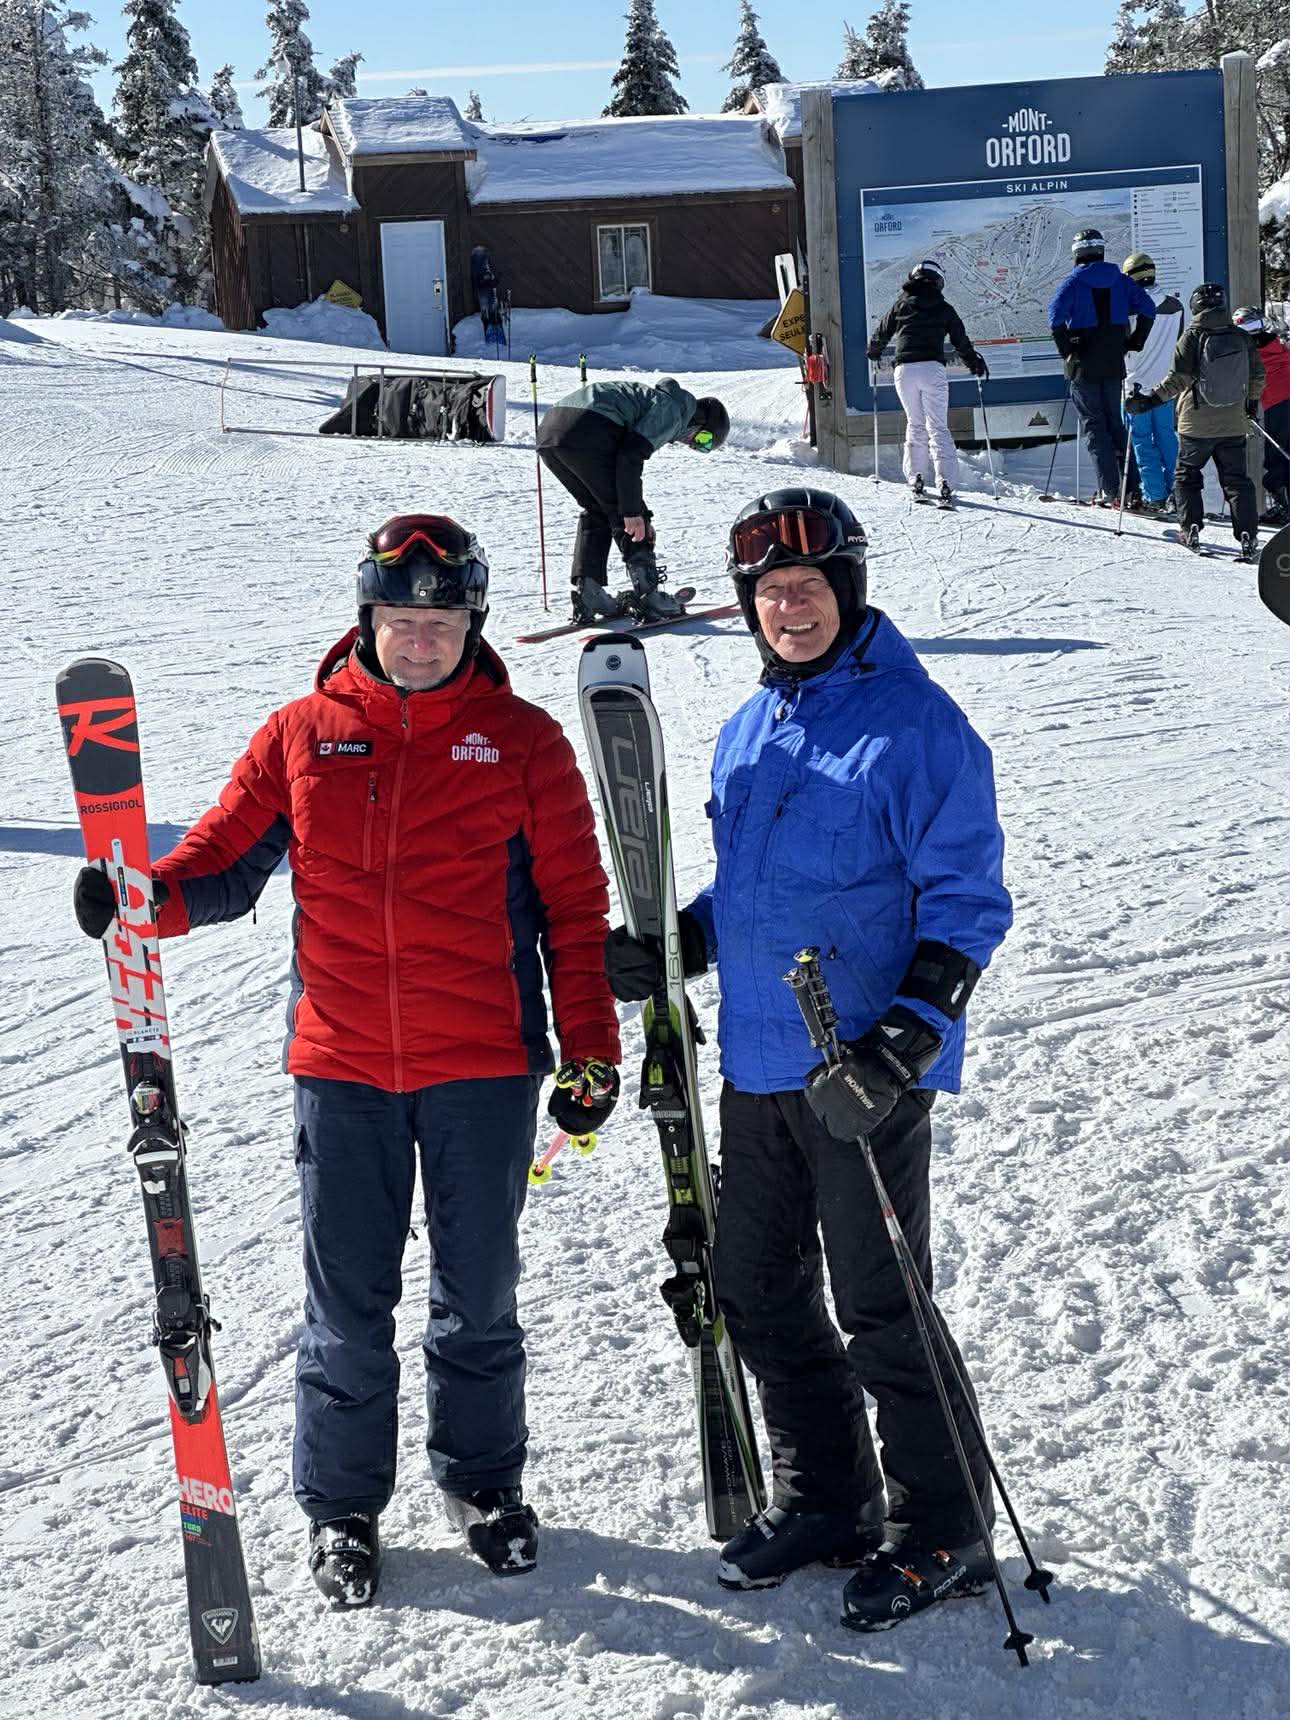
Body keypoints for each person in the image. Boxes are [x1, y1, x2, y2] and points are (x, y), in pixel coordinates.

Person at [71, 514, 622, 1606]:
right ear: (364, 617)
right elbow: (220, 862)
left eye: (443, 619)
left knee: (479, 1295)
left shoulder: (525, 743)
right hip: (345, 1065)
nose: (422, 639)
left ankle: (484, 1481)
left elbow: (573, 911)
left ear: (474, 620)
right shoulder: (302, 734)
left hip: (484, 1067)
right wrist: (143, 898)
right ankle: (343, 1508)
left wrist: (591, 1049)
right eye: (401, 619)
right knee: (347, 1305)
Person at [604, 488, 1013, 1632]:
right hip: (758, 1060)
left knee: (880, 1301)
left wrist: (901, 1044)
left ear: (850, 591)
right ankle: (829, 1495)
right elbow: (748, 892)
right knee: (753, 1283)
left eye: (809, 589)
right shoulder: (752, 725)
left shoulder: (918, 727)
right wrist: (675, 940)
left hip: (858, 1066)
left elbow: (970, 903)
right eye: (770, 594)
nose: (790, 609)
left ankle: (946, 1523)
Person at [536, 378, 730, 623]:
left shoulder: (659, 402)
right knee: (625, 511)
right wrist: (633, 513)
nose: (691, 444)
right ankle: (649, 596)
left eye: (702, 447)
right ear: (700, 420)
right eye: (703, 440)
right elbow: (629, 456)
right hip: (585, 429)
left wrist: (632, 510)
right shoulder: (674, 411)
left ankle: (589, 593)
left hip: (550, 433)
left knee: (597, 509)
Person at [1127, 283, 1265, 558]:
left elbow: (1178, 379)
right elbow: (1257, 376)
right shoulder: (1241, 336)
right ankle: (1247, 535)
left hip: (1197, 424)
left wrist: (1151, 400)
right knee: (1237, 480)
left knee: (1187, 476)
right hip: (1233, 422)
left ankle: (1190, 528)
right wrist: (1249, 405)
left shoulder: (1192, 336)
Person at [865, 258, 988, 507]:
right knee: (938, 428)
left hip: (905, 371)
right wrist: (974, 363)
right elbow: (960, 340)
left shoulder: (901, 304)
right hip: (932, 369)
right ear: (937, 282)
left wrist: (874, 351)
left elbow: (882, 331)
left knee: (915, 424)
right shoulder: (944, 308)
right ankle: (945, 483)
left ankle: (916, 479)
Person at [1048, 228, 1156, 504]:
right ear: (1101, 250)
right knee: (1115, 425)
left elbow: (1055, 320)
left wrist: (1068, 352)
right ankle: (1131, 489)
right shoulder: (1121, 281)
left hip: (1084, 364)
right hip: (1114, 362)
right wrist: (1135, 341)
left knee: (1095, 428)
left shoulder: (1072, 283)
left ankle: (1110, 490)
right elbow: (1148, 308)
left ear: (1077, 254)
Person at [1121, 252, 1184, 515]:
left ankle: (1155, 496)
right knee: (1167, 439)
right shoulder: (1175, 305)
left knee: (1142, 443)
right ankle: (1179, 494)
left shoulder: (1128, 308)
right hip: (1164, 386)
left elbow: (1124, 346)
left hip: (1135, 384)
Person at [1234, 306, 1290, 525]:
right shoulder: (1277, 343)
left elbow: (1250, 380)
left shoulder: (1249, 352)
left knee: (1277, 456)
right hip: (1282, 399)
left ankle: (1285, 506)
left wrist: (1247, 406)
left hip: (1277, 404)